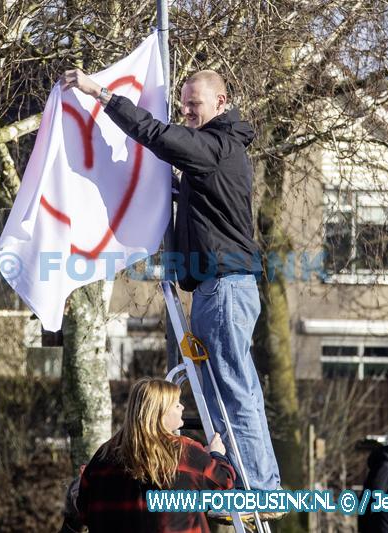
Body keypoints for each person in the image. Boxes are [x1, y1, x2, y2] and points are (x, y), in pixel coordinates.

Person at [60, 68, 280, 491]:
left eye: (193, 106)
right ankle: (244, 485)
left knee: (235, 389)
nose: (187, 114)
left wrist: (101, 94)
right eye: (183, 107)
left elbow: (159, 135)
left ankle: (263, 488)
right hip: (216, 288)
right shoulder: (216, 155)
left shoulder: (217, 146)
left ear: (221, 102)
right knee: (219, 393)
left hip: (226, 287)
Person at [73, 377, 235, 533]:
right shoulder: (185, 451)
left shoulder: (104, 454)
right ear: (160, 413)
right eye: (176, 405)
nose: (183, 408)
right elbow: (224, 483)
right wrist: (216, 455)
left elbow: (83, 510)